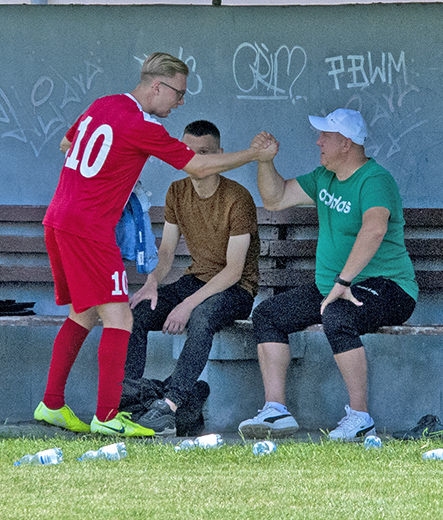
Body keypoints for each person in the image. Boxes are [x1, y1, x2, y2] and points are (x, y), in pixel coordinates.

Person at [34, 52, 268, 437]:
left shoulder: (104, 104)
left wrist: (113, 171)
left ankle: (53, 403)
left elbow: (65, 144)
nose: (181, 102)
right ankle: (108, 416)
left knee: (84, 313)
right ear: (157, 86)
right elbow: (197, 165)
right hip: (91, 228)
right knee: (121, 318)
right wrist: (253, 154)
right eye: (178, 93)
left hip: (59, 218)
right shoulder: (143, 126)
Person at [239, 108, 418, 441]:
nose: (318, 142)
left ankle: (360, 418)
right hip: (333, 288)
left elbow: (375, 229)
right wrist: (265, 161)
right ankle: (276, 411)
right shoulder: (324, 178)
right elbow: (275, 198)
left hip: (389, 288)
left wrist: (343, 281)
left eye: (325, 136)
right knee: (268, 315)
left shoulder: (375, 180)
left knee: (337, 315)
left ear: (346, 143)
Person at [123, 120, 260, 436]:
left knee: (200, 316)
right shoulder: (177, 191)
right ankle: (129, 400)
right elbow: (167, 252)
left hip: (236, 290)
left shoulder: (237, 198)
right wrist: (152, 283)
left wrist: (186, 305)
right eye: (188, 151)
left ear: (220, 154)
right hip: (197, 281)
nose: (195, 159)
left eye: (204, 153)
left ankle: (170, 405)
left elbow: (234, 271)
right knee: (138, 311)